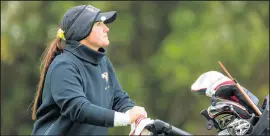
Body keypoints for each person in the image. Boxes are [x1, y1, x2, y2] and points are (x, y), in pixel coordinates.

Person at [31, 5, 147, 135]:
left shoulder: (103, 62)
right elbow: (79, 109)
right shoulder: (63, 66)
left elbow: (119, 99)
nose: (106, 29)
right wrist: (126, 118)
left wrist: (136, 119)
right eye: (99, 24)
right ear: (82, 30)